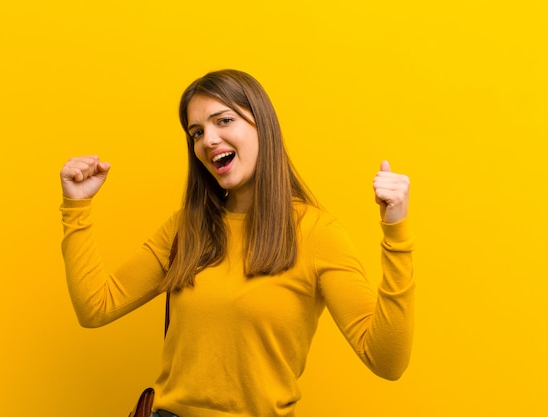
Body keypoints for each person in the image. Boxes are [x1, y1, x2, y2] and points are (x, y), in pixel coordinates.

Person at [59, 69, 415, 417]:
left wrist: (395, 231)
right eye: (196, 132)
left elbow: (387, 361)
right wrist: (76, 206)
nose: (208, 140)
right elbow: (96, 307)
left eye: (224, 121)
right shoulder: (187, 226)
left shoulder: (318, 233)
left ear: (263, 125)